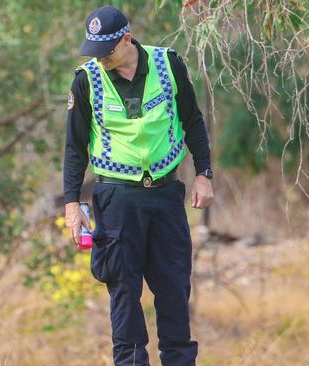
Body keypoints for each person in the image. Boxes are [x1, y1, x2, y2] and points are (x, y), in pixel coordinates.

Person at [63, 6, 214, 366]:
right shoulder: (86, 80)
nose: (100, 58)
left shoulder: (169, 65)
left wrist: (204, 173)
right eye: (94, 51)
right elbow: (74, 147)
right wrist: (72, 204)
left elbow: (192, 120)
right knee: (124, 293)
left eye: (107, 51)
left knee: (174, 288)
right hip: (117, 198)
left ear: (126, 39)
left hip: (165, 195)